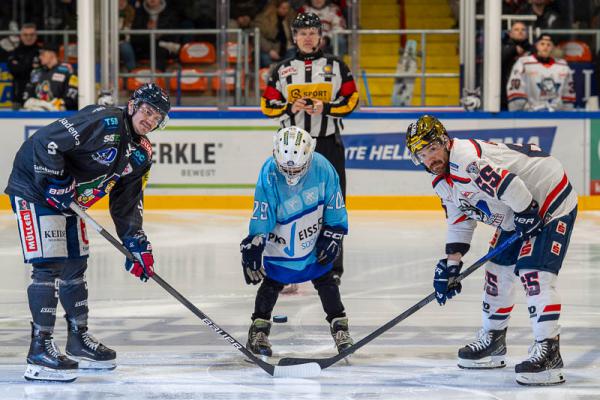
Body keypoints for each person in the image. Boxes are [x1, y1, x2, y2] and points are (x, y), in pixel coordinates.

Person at [4, 83, 171, 383]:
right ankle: (39, 349)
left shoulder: (142, 154)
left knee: (76, 263)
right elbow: (45, 143)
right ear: (133, 105)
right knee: (49, 265)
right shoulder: (103, 120)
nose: (151, 120)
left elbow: (127, 204)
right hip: (35, 188)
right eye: (147, 111)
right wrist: (56, 180)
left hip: (69, 199)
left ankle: (77, 339)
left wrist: (136, 242)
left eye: (157, 117)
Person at [405, 115, 577, 386]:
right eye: (422, 155)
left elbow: (509, 184)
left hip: (546, 196)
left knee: (533, 272)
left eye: (433, 149)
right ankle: (494, 340)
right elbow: (460, 221)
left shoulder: (465, 160)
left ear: (445, 143)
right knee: (496, 271)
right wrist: (451, 264)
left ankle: (549, 351)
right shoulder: (442, 183)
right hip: (517, 206)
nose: (430, 159)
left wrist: (526, 212)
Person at [261, 12, 358, 286]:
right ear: (294, 37)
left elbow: (351, 100)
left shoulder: (337, 66)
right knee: (286, 204)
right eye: (302, 33)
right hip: (289, 147)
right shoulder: (281, 69)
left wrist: (325, 108)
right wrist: (288, 107)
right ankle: (286, 266)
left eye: (312, 32)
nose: (307, 37)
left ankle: (331, 267)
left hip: (327, 144)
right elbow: (267, 105)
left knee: (334, 204)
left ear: (320, 36)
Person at [241, 126, 353, 358]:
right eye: (285, 168)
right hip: (282, 230)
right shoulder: (269, 172)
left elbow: (335, 203)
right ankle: (258, 330)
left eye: (298, 168)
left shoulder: (323, 167)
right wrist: (256, 241)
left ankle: (340, 327)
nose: (291, 175)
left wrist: (333, 233)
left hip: (312, 230)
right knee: (273, 280)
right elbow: (262, 211)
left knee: (325, 279)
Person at [507, 33, 575, 111]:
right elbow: (515, 90)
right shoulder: (524, 63)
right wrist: (519, 112)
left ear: (553, 48)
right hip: (530, 114)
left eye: (549, 45)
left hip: (555, 114)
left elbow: (568, 94)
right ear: (537, 46)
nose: (545, 47)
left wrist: (567, 113)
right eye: (542, 44)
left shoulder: (563, 66)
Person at [22, 42, 78, 111]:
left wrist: (58, 103)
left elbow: (71, 97)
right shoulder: (36, 72)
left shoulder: (68, 70)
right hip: (37, 111)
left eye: (43, 54)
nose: (40, 57)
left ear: (52, 54)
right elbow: (27, 95)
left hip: (60, 114)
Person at [7, 23, 40, 109]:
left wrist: (22, 66)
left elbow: (42, 71)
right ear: (21, 36)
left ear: (36, 36)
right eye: (25, 35)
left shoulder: (41, 52)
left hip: (38, 97)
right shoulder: (14, 52)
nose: (29, 37)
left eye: (31, 35)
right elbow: (13, 70)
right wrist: (30, 66)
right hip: (18, 97)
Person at [501, 21, 531, 110]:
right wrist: (513, 49)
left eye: (523, 30)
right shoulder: (501, 47)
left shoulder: (532, 50)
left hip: (529, 96)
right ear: (510, 34)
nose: (520, 31)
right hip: (505, 96)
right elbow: (499, 59)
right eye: (516, 29)